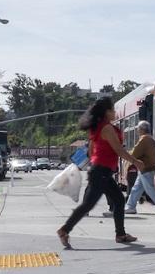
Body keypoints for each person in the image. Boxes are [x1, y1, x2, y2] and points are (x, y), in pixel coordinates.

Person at [57, 97, 144, 248]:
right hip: (101, 172)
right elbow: (119, 150)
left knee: (118, 200)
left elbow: (91, 152)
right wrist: (136, 161)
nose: (115, 113)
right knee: (88, 205)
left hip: (100, 171)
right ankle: (64, 230)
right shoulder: (107, 129)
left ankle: (121, 234)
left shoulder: (98, 128)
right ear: (106, 112)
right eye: (112, 110)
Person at [124, 121, 155, 215]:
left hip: (146, 167)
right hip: (150, 167)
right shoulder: (151, 139)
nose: (137, 131)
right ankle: (131, 206)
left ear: (142, 129)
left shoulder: (143, 139)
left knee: (150, 188)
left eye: (138, 129)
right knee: (136, 188)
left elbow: (135, 153)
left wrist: (126, 153)